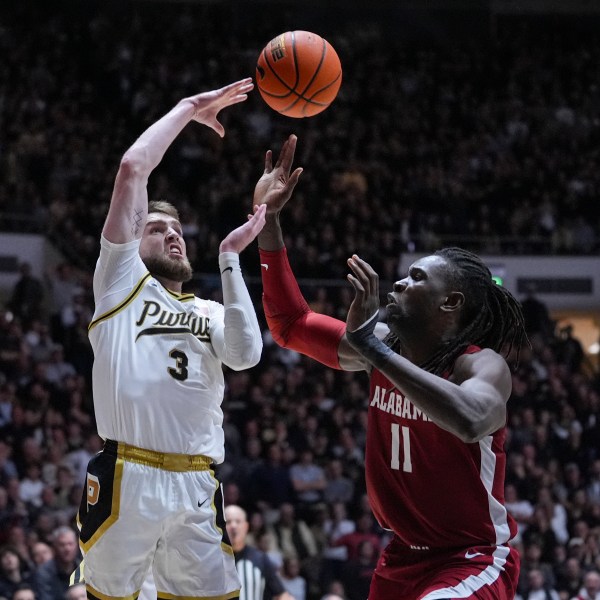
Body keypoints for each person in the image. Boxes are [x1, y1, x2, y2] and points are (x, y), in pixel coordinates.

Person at [253, 134, 529, 599]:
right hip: (401, 556)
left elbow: (470, 419)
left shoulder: (481, 366)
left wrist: (376, 352)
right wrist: (269, 222)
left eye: (417, 276)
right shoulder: (380, 343)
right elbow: (290, 325)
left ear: (450, 302)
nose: (400, 280)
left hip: (473, 557)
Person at [76, 79, 265, 599]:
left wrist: (230, 258)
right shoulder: (121, 283)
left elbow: (247, 354)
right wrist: (187, 108)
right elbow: (133, 168)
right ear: (132, 240)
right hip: (127, 475)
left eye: (178, 229)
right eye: (157, 227)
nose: (173, 234)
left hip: (198, 483)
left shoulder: (207, 310)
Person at [225, 504, 294, 600]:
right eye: (228, 522)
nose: (233, 526)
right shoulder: (212, 560)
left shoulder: (260, 559)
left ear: (246, 527)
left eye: (238, 521)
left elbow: (281, 594)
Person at [31, 526, 80, 600]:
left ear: (76, 546)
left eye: (70, 544)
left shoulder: (84, 568)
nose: (67, 549)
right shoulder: (43, 573)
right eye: (62, 545)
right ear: (54, 547)